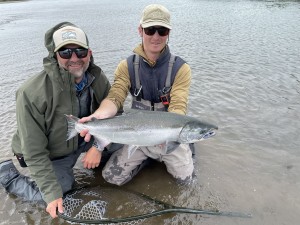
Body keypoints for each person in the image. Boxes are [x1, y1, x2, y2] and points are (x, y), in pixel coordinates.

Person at [0, 22, 111, 218]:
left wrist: (98, 147)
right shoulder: (30, 93)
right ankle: (7, 175)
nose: (74, 58)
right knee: (57, 198)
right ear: (55, 56)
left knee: (123, 143)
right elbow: (34, 152)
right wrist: (51, 193)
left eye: (80, 51)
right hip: (49, 153)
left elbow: (113, 116)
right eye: (66, 52)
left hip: (83, 140)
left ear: (89, 53)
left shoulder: (98, 79)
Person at [80, 4, 194, 186]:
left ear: (168, 33)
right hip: (137, 134)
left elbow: (178, 106)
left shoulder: (181, 69)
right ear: (140, 30)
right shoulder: (126, 66)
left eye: (162, 30)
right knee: (111, 178)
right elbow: (115, 97)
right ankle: (146, 161)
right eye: (150, 30)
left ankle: (183, 148)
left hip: (168, 135)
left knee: (186, 182)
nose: (156, 36)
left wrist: (171, 135)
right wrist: (98, 116)